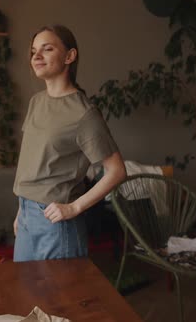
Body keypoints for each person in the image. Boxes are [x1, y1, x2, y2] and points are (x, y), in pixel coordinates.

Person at [13, 25, 127, 262]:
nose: (36, 56)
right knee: (25, 295)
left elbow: (116, 171)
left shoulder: (83, 113)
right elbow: (33, 164)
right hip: (26, 216)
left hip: (56, 224)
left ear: (69, 56)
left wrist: (74, 208)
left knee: (59, 299)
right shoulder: (37, 102)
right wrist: (21, 210)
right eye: (34, 50)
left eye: (47, 49)